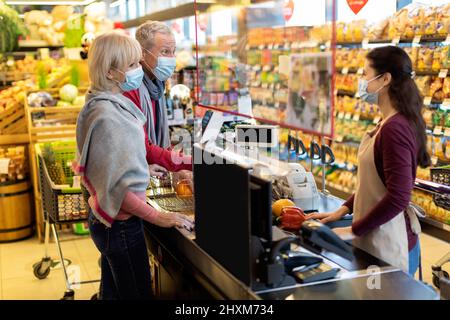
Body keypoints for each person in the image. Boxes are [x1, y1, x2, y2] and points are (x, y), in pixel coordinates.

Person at [74, 31, 192, 300]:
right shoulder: (109, 116)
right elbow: (117, 189)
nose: (140, 71)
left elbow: (108, 163)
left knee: (113, 294)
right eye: (133, 65)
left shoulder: (103, 102)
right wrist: (160, 217)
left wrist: (142, 167)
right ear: (112, 72)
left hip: (106, 220)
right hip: (120, 225)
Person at [307, 46, 430, 276]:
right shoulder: (387, 122)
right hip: (376, 236)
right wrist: (343, 209)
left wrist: (354, 229)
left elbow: (399, 196)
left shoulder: (395, 128)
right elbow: (376, 184)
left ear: (385, 79)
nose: (361, 80)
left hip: (391, 243)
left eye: (364, 74)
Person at [123, 21, 192, 181]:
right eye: (165, 52)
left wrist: (178, 166)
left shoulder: (157, 85)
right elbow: (142, 146)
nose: (171, 58)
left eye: (173, 51)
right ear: (142, 53)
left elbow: (160, 138)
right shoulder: (131, 88)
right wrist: (190, 162)